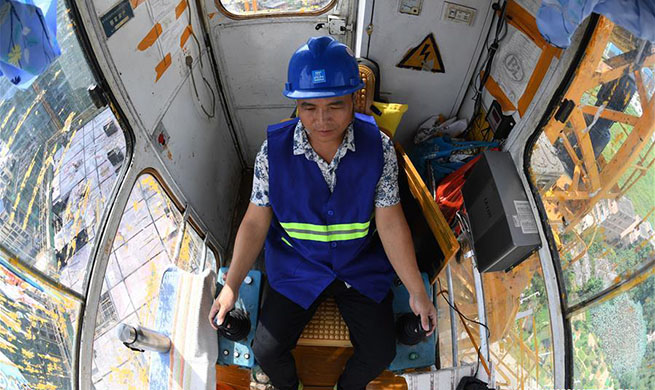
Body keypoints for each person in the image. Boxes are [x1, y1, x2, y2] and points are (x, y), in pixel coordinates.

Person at [208, 36, 437, 390]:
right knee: (266, 351)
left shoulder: (380, 149)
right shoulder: (273, 153)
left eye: (336, 105)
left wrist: (416, 292)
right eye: (309, 107)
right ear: (296, 105)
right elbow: (255, 220)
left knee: (379, 353)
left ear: (354, 100)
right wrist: (231, 286)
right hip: (298, 266)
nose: (323, 120)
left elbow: (390, 222)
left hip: (358, 265)